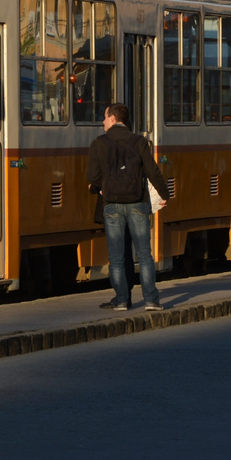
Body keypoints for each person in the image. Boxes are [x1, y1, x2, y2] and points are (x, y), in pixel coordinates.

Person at [86, 103, 170, 312]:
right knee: (144, 253)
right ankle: (151, 300)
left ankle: (122, 299)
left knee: (116, 256)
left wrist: (97, 187)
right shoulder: (139, 141)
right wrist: (164, 193)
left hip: (112, 205)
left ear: (113, 119)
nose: (103, 121)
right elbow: (152, 170)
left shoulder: (99, 143)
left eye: (105, 117)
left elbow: (93, 178)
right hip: (137, 204)